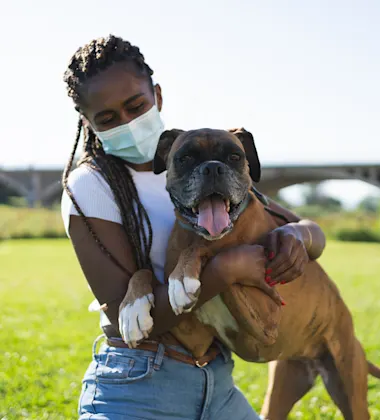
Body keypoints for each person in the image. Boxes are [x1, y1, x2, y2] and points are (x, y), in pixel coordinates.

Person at [61, 34, 326, 420]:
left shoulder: (195, 159)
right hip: (139, 382)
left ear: (158, 96)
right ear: (88, 123)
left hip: (216, 382)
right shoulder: (91, 187)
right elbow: (132, 324)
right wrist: (225, 269)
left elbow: (311, 232)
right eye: (108, 119)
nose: (129, 123)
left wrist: (296, 236)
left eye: (137, 106)